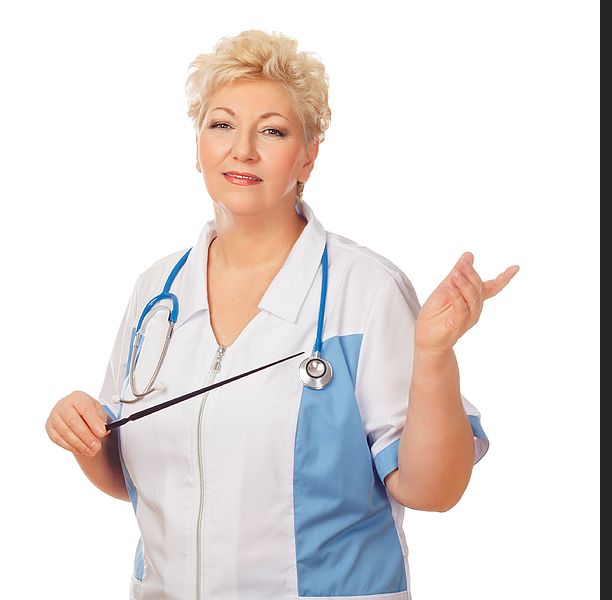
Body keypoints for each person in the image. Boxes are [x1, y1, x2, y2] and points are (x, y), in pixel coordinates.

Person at [45, 29, 518, 600]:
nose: (242, 149)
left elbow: (432, 489)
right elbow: (139, 481)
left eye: (272, 130)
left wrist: (435, 355)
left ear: (308, 158)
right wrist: (86, 438)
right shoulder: (156, 293)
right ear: (198, 147)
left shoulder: (364, 291)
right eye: (221, 125)